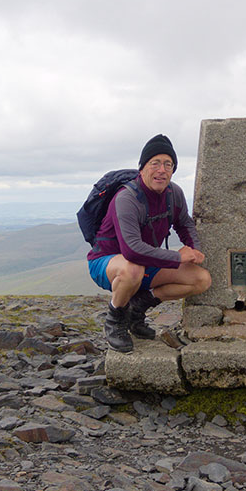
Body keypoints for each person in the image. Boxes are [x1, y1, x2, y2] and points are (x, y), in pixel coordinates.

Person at [87, 134, 212, 352]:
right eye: (155, 163)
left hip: (146, 262)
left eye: (168, 164)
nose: (162, 170)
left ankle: (138, 307)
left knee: (201, 279)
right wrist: (178, 257)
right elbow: (132, 250)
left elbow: (184, 224)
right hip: (107, 262)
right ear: (143, 168)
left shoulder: (174, 193)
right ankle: (115, 320)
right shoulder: (127, 198)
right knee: (132, 269)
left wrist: (194, 250)